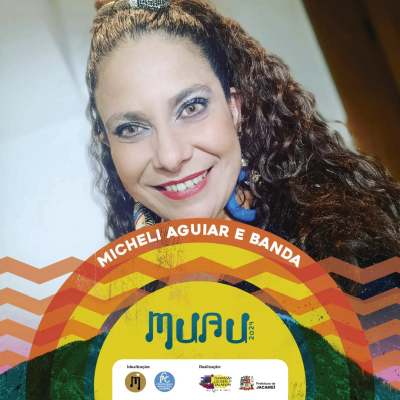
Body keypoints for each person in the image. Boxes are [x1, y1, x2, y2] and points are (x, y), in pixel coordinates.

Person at [88, 0, 400, 268]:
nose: (170, 157)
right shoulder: (127, 301)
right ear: (108, 144)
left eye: (191, 107)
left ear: (234, 108)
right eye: (131, 128)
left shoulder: (349, 248)